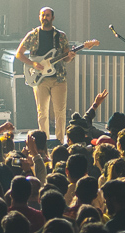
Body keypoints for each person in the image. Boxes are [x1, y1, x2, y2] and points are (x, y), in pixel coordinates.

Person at [15, 7, 82, 137]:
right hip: (40, 78)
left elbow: (66, 58)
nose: (45, 18)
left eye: (48, 15)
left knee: (60, 112)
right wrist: (32, 63)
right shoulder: (33, 35)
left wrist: (71, 56)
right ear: (39, 17)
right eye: (43, 15)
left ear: (53, 18)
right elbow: (19, 54)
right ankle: (44, 142)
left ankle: (59, 141)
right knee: (42, 112)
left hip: (59, 78)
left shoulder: (61, 36)